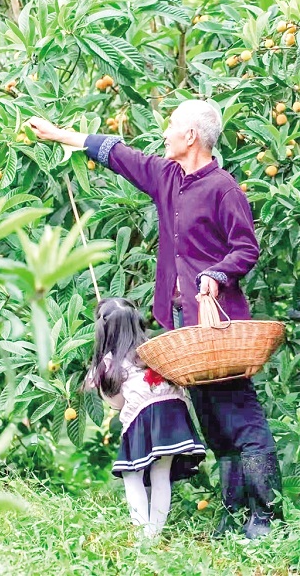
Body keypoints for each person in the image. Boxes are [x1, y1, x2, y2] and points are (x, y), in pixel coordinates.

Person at [28, 100, 283, 539]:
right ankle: (234, 514)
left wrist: (216, 275)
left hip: (217, 324)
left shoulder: (223, 189)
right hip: (182, 323)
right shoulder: (167, 177)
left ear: (191, 136)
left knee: (241, 417)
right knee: (214, 424)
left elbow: (246, 248)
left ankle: (265, 517)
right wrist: (58, 135)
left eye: (171, 126)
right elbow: (118, 153)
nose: (164, 133)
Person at [84, 296, 206, 539]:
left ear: (103, 330)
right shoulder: (153, 349)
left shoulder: (109, 361)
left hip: (145, 414)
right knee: (160, 474)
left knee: (132, 475)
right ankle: (153, 534)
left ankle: (143, 537)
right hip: (174, 410)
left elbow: (117, 403)